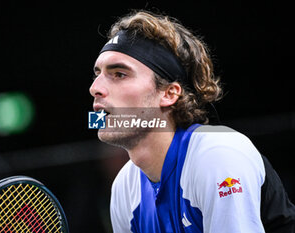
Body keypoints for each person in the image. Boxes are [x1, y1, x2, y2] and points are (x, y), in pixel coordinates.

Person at [89, 10, 295, 233]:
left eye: (119, 74)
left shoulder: (218, 154)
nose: (95, 88)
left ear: (169, 94)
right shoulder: (124, 188)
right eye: (97, 74)